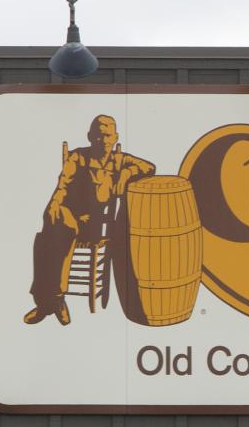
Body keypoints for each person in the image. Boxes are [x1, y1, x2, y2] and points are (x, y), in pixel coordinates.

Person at [25, 114, 153, 325]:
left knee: (52, 236)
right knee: (46, 235)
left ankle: (48, 303)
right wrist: (53, 207)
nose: (103, 141)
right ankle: (52, 301)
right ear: (89, 136)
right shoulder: (78, 157)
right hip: (69, 218)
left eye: (107, 136)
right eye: (98, 136)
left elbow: (149, 167)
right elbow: (62, 187)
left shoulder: (120, 160)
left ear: (115, 137)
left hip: (95, 226)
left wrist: (126, 173)